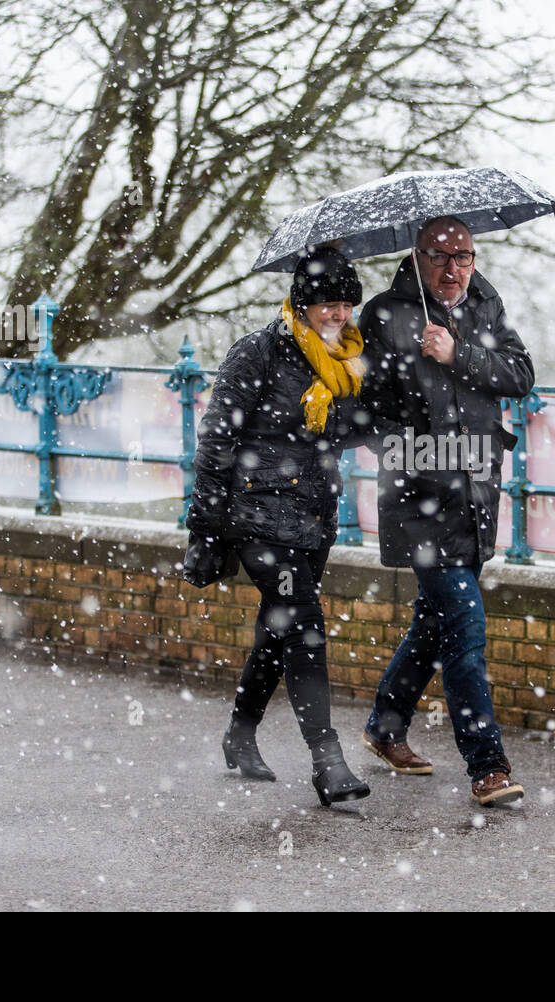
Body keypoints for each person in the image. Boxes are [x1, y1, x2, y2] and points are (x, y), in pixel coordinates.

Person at [183, 246, 372, 807]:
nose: (338, 315)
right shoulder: (259, 353)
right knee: (304, 622)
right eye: (327, 305)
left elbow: (346, 431)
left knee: (278, 628)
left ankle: (239, 734)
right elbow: (216, 443)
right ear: (301, 302)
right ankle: (328, 760)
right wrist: (206, 530)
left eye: (345, 305)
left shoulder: (346, 362)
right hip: (258, 518)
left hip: (313, 517)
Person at [358, 216, 535, 807]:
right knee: (465, 629)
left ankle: (385, 727)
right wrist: (407, 446)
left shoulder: (486, 301)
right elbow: (365, 407)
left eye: (465, 255)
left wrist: (459, 355)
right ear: (418, 257)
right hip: (419, 498)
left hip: (477, 493)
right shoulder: (384, 315)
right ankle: (487, 766)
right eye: (442, 256)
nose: (455, 268)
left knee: (435, 624)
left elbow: (520, 376)